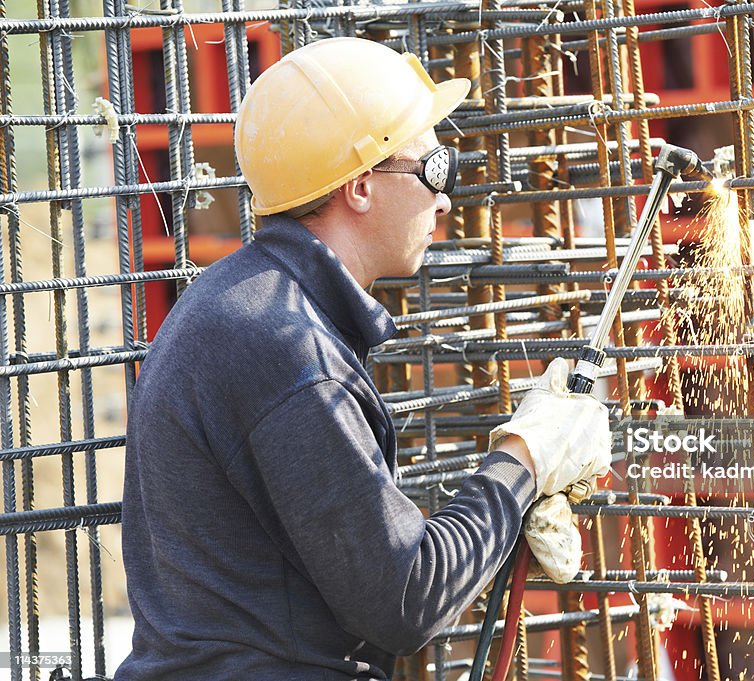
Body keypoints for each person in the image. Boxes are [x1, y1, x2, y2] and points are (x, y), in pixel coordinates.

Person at [115, 37, 611, 681]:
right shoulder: (288, 349)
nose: (446, 199)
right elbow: (406, 597)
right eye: (435, 169)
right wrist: (524, 459)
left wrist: (496, 523)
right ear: (360, 187)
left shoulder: (245, 304)